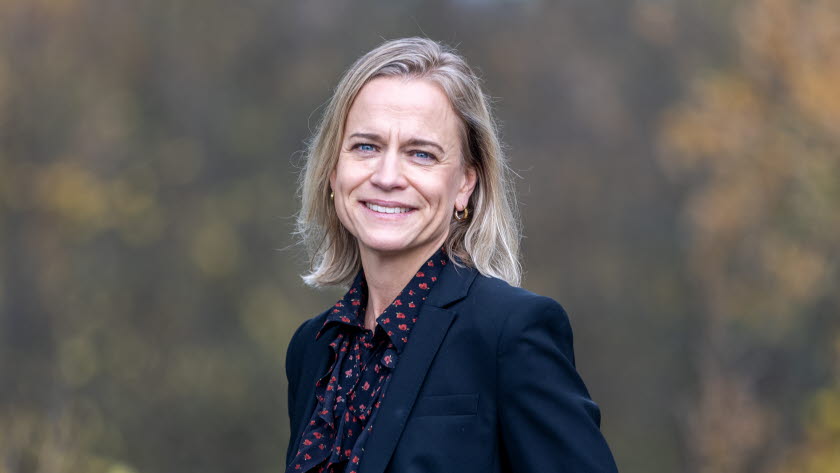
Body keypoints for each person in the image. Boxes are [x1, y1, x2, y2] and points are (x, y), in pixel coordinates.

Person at [285, 37, 618, 473]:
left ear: (465, 184)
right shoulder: (313, 349)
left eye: (421, 154)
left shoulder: (511, 334)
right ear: (333, 171)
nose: (387, 176)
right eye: (366, 146)